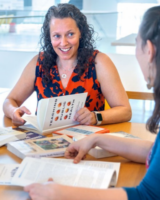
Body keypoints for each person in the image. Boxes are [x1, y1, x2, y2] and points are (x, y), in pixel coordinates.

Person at [24, 5, 160, 200]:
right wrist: (98, 139)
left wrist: (62, 194)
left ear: (149, 50)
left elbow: (149, 196)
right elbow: (159, 154)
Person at [3, 3, 131, 126]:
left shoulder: (99, 62)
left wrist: (95, 116)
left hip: (87, 143)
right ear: (49, 37)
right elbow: (9, 101)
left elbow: (125, 111)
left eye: (70, 34)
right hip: (44, 141)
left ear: (80, 32)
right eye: (57, 36)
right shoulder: (38, 63)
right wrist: (14, 111)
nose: (63, 43)